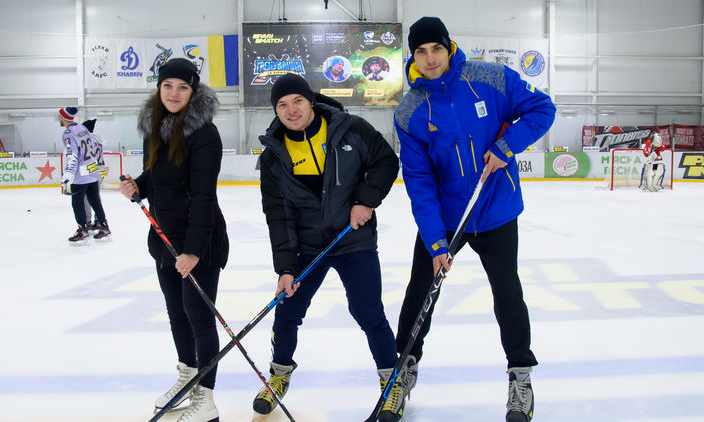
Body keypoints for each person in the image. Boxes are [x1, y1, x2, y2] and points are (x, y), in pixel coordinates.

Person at [393, 17, 556, 422]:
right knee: (420, 292)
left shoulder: (490, 78)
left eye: (436, 48)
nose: (430, 58)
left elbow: (542, 109)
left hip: (496, 209)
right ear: (412, 56)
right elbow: (419, 181)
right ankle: (403, 369)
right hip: (448, 217)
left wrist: (507, 146)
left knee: (507, 293)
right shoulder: (410, 110)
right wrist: (435, 242)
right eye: (420, 51)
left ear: (449, 47)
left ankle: (520, 375)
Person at [253, 73, 406, 421]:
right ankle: (278, 376)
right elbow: (278, 216)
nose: (291, 110)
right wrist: (285, 268)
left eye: (297, 101)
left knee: (368, 313)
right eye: (282, 105)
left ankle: (391, 383)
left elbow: (385, 161)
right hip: (307, 248)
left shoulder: (350, 129)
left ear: (311, 101)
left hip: (353, 240)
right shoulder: (274, 156)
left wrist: (365, 200)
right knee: (287, 311)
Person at [118, 58, 229, 422]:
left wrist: (193, 251)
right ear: (159, 89)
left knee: (199, 318)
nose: (174, 93)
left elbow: (203, 196)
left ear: (193, 92)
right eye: (167, 86)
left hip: (200, 243)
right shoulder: (155, 129)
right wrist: (138, 186)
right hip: (164, 241)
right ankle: (187, 376)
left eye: (183, 87)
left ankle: (206, 397)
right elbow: (157, 177)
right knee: (177, 314)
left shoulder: (205, 134)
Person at [58, 107, 111, 244]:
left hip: (80, 174)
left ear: (63, 118)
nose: (58, 119)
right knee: (95, 200)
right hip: (92, 171)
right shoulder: (82, 128)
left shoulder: (68, 133)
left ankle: (82, 230)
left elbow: (72, 154)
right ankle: (104, 226)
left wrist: (69, 172)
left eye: (59, 117)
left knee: (77, 202)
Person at [80, 118, 105, 233]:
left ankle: (87, 222)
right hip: (100, 170)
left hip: (91, 171)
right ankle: (98, 220)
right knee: (95, 196)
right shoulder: (98, 139)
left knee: (86, 198)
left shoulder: (86, 140)